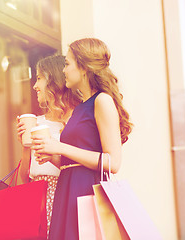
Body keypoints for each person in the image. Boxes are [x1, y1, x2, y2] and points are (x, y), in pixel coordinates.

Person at [31, 38, 133, 240]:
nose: (64, 70)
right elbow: (72, 162)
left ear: (84, 67)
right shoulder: (80, 108)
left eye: (67, 64)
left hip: (86, 191)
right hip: (67, 190)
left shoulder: (102, 101)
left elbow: (113, 162)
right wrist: (51, 154)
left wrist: (60, 147)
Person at [16, 54, 82, 236]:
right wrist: (25, 145)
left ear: (54, 80)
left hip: (64, 194)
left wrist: (52, 154)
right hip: (36, 198)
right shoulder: (36, 122)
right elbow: (24, 178)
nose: (35, 86)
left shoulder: (75, 122)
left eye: (39, 78)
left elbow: (79, 168)